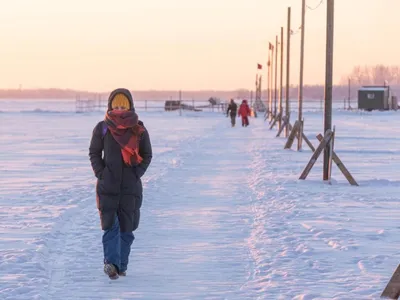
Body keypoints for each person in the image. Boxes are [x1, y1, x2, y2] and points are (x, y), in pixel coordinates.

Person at [89, 88, 152, 280]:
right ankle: (111, 265)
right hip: (107, 186)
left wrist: (136, 173)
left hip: (130, 188)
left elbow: (147, 155)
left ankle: (121, 266)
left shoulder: (139, 130)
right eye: (116, 105)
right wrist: (102, 173)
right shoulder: (102, 128)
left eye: (123, 105)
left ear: (130, 106)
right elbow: (94, 153)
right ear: (110, 106)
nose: (119, 109)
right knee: (111, 226)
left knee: (126, 229)